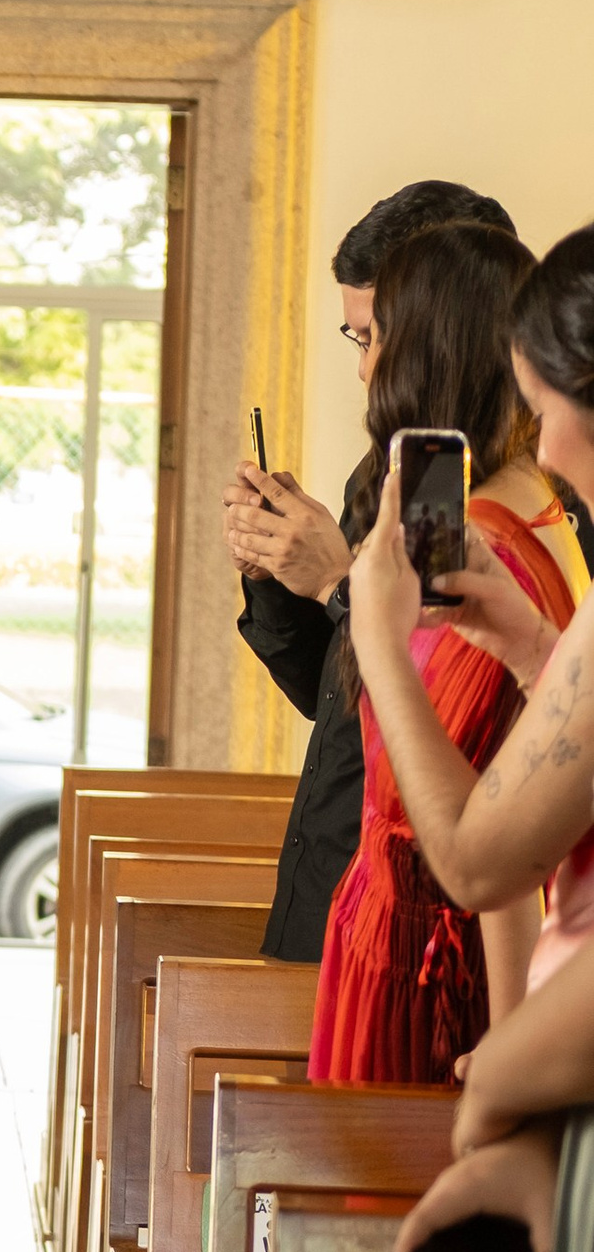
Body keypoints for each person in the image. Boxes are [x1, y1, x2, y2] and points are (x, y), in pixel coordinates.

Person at [225, 179, 517, 960]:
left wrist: (334, 581)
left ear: (443, 320)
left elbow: (436, 688)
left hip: (411, 903)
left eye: (373, 336)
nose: (365, 370)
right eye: (357, 338)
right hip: (333, 865)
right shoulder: (404, 468)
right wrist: (276, 573)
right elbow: (342, 692)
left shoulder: (459, 481)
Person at [311, 215, 574, 1084]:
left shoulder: (491, 531)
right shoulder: (525, 505)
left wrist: (508, 1054)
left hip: (419, 963)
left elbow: (491, 846)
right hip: (402, 931)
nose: (363, 364)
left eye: (374, 336)